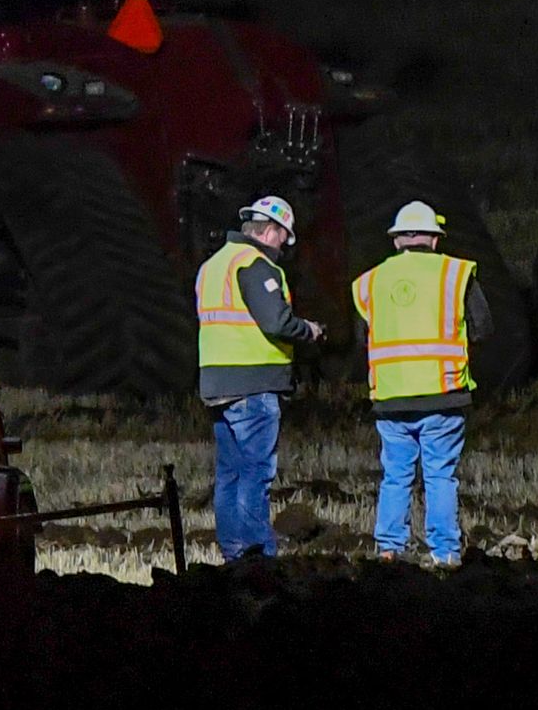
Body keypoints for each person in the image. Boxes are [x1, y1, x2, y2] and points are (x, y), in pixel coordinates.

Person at [353, 200, 492, 565]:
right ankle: (444, 554)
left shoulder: (370, 281)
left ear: (397, 240)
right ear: (434, 239)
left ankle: (388, 551)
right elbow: (484, 327)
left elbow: (360, 338)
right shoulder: (456, 274)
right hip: (443, 395)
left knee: (395, 477)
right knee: (440, 476)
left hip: (391, 398)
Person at [197, 194, 327, 561]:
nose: (284, 248)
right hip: (253, 386)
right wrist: (310, 330)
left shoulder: (213, 265)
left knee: (229, 475)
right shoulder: (255, 264)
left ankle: (234, 552)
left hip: (216, 385)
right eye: (284, 238)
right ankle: (259, 556)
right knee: (256, 475)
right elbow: (276, 321)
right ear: (271, 231)